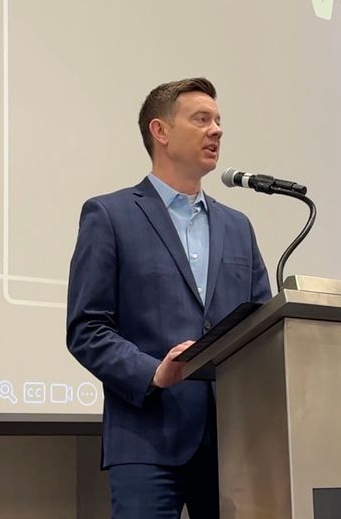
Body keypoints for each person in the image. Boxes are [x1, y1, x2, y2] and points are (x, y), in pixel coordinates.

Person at [66, 77, 271, 518]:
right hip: (146, 438)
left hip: (231, 443)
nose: (216, 130)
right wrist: (152, 373)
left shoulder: (238, 226)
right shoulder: (110, 215)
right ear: (160, 131)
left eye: (218, 121)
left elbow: (261, 328)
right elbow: (87, 328)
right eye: (201, 119)